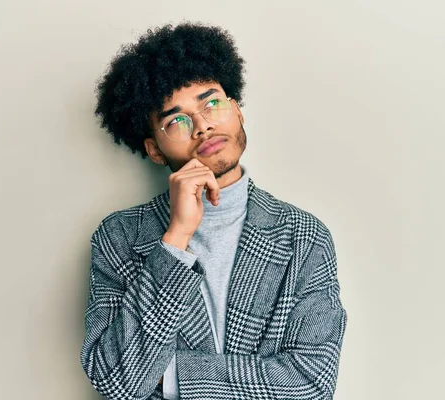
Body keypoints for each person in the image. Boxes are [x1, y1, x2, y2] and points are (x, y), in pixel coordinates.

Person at [80, 21, 348, 400]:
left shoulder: (303, 235)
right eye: (176, 120)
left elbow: (312, 383)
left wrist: (168, 376)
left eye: (212, 103)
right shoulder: (120, 236)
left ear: (237, 111)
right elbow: (117, 381)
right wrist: (175, 240)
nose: (203, 125)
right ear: (154, 148)